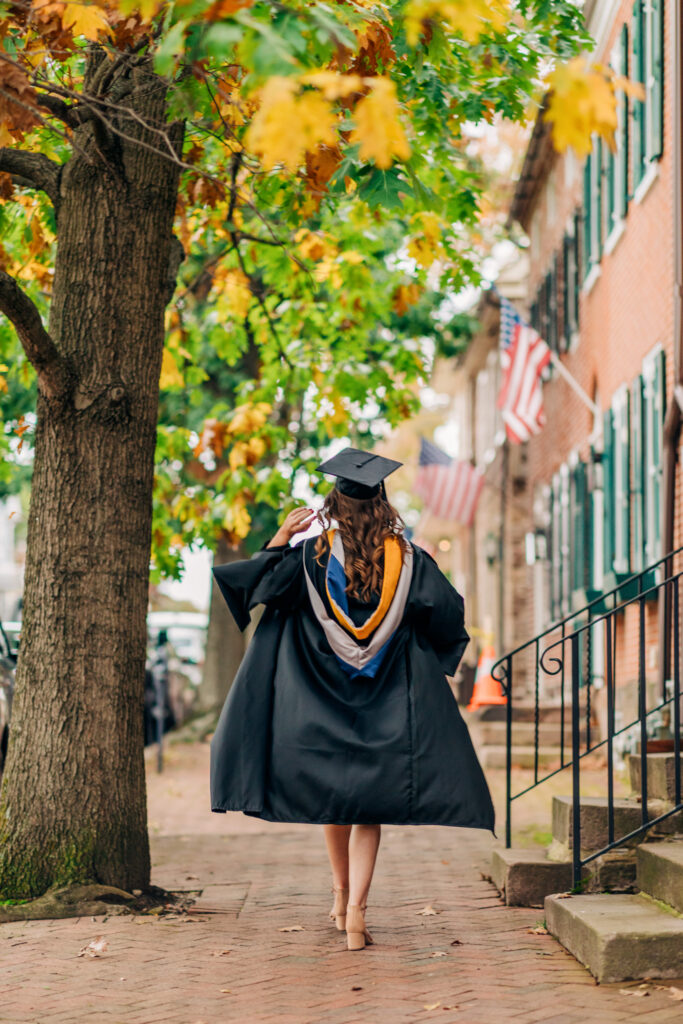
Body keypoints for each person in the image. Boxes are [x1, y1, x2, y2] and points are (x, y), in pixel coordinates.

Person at [210, 447, 495, 951]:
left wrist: (279, 539)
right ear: (381, 502)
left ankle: (340, 899)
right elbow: (448, 615)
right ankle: (359, 913)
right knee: (369, 807)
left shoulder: (310, 557)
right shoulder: (410, 561)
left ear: (334, 502)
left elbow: (259, 587)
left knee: (334, 800)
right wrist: (428, 655)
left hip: (319, 704)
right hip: (387, 703)